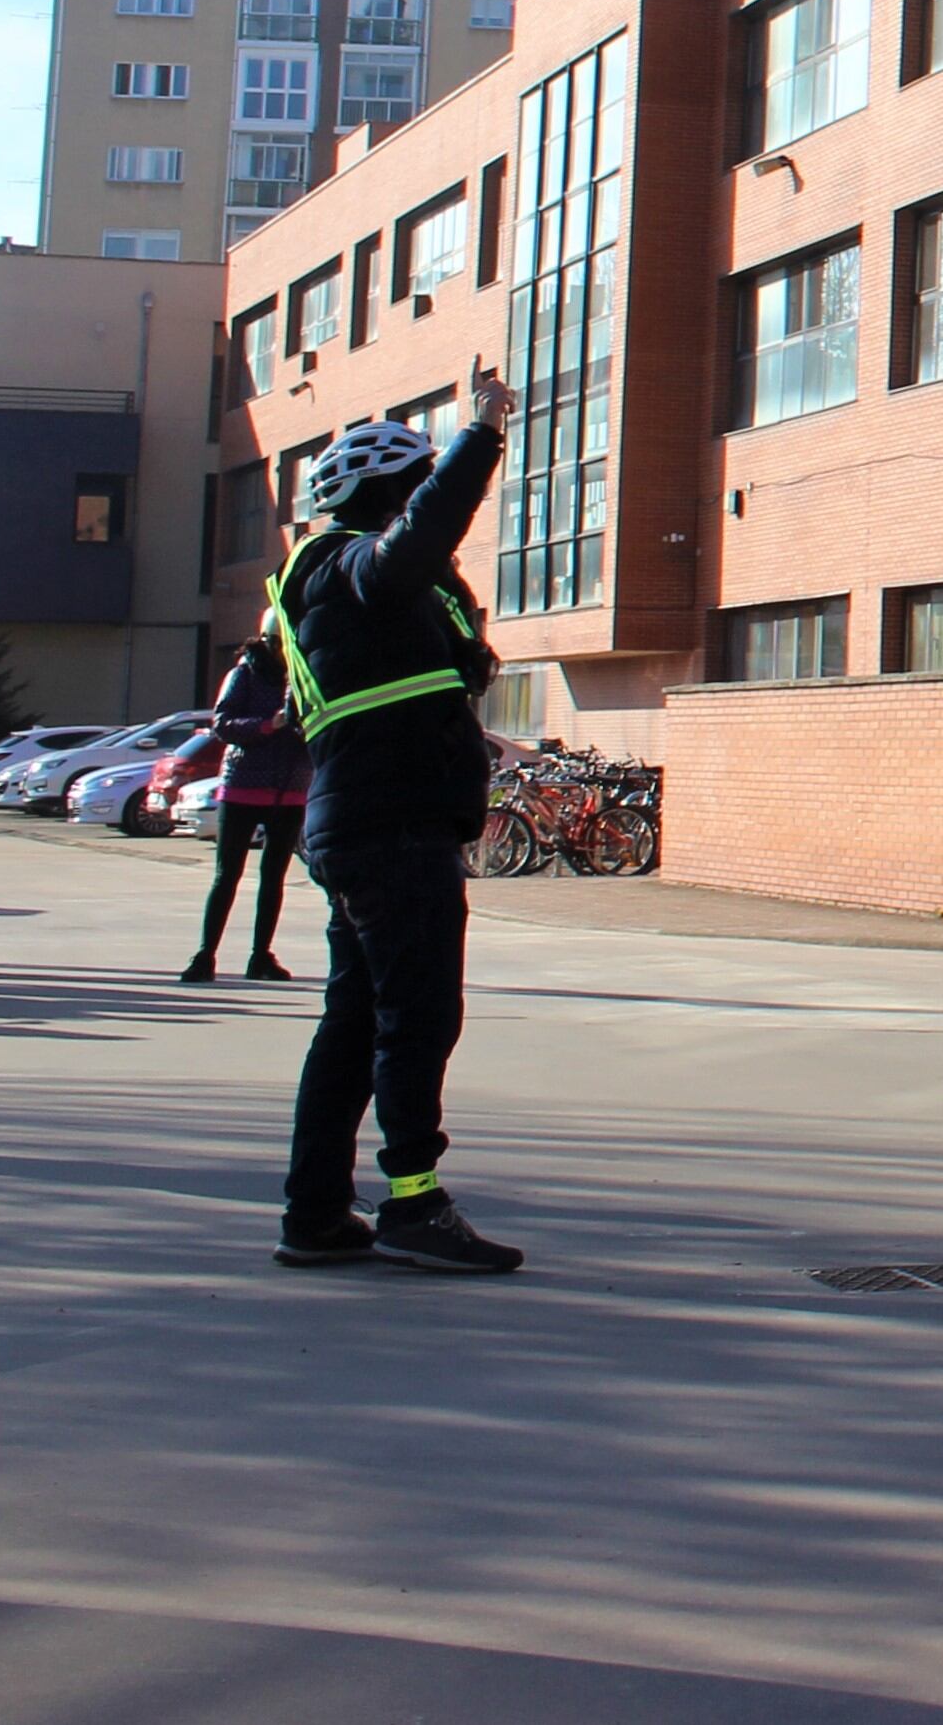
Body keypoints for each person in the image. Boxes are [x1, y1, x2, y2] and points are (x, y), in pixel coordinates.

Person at [269, 364, 523, 1275]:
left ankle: (315, 1211)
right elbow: (411, 547)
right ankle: (413, 1202)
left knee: (356, 1017)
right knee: (417, 1016)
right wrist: (480, 435)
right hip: (391, 830)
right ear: (391, 494)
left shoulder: (363, 597)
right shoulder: (343, 564)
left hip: (374, 822)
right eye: (416, 489)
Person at [183, 624, 312, 984]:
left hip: (290, 786)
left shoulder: (305, 674)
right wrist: (270, 724)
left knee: (274, 877)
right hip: (244, 784)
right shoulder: (244, 673)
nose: (287, 651)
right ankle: (205, 955)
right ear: (268, 641)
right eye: (281, 643)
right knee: (228, 874)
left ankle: (261, 955)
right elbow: (223, 724)